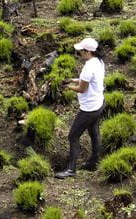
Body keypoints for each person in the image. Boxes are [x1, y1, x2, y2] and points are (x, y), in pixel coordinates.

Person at [55, 38, 105, 179]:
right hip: (99, 104)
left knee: (73, 136)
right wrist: (73, 79)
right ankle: (94, 162)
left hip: (89, 109)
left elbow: (82, 89)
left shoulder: (88, 67)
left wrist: (68, 87)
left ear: (88, 52)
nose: (78, 54)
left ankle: (71, 169)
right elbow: (89, 79)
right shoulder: (98, 61)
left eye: (80, 51)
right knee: (94, 132)